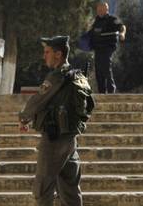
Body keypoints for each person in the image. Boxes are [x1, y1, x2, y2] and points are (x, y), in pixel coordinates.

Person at [19, 35, 93, 206]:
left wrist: (23, 119)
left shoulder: (57, 76)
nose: (44, 56)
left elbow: (37, 101)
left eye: (47, 52)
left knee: (43, 189)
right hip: (70, 141)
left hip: (53, 141)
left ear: (58, 54)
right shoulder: (77, 76)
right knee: (70, 191)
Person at [88, 2, 126, 94]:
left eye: (101, 10)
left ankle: (111, 89)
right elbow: (90, 33)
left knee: (105, 65)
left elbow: (122, 26)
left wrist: (122, 33)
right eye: (98, 10)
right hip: (98, 48)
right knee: (98, 70)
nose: (99, 12)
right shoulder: (95, 21)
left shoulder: (112, 19)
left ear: (106, 10)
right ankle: (102, 91)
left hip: (108, 47)